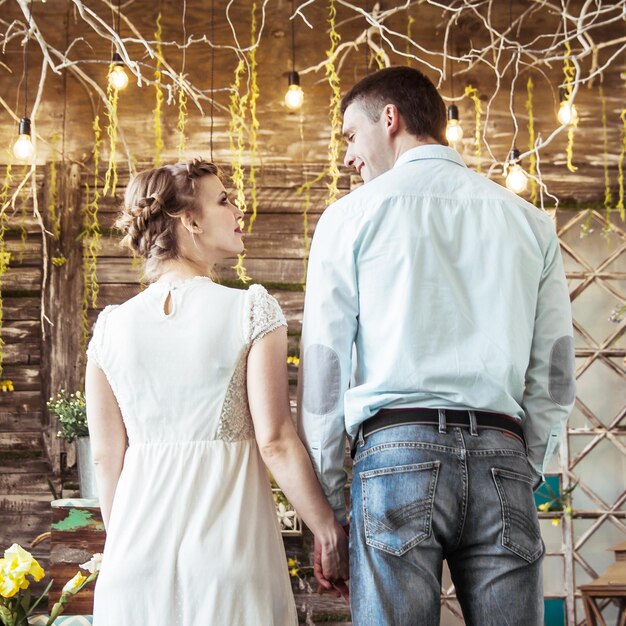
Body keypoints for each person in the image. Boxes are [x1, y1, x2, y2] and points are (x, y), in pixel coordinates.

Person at [298, 66, 575, 626]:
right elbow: (555, 372)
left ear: (391, 119)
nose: (348, 156)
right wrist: (525, 463)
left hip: (395, 451)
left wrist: (332, 496)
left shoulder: (349, 218)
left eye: (351, 136)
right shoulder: (528, 222)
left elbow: (326, 371)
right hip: (502, 449)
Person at [85, 159, 349, 626]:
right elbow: (275, 441)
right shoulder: (251, 310)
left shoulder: (110, 328)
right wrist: (325, 527)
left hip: (132, 568)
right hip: (228, 562)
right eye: (224, 200)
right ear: (190, 221)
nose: (237, 210)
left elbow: (107, 459)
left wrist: (126, 541)